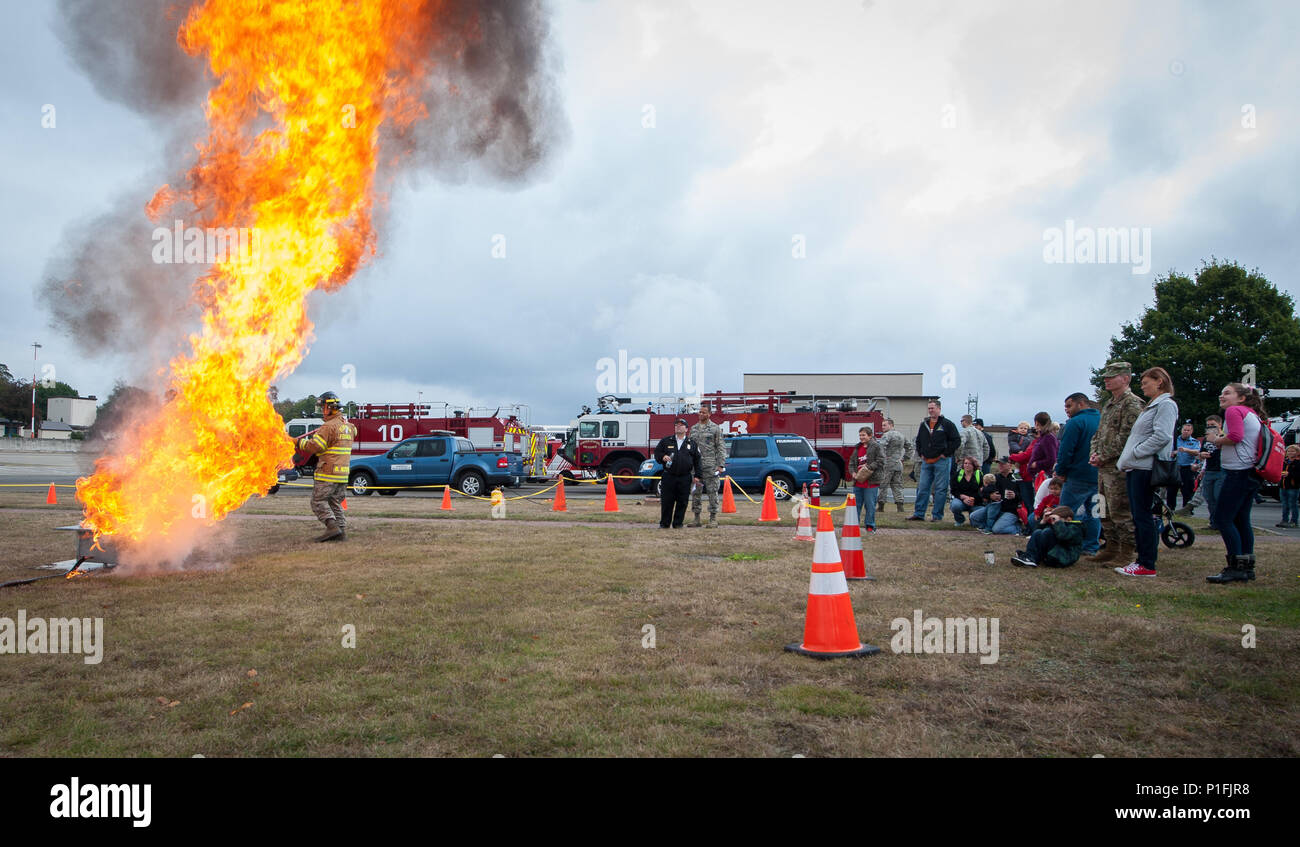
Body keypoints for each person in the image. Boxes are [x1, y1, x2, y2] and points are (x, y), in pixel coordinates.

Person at [1114, 367, 1178, 576]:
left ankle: (1146, 563)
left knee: (1143, 516)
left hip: (1145, 467)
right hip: (1137, 466)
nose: (1142, 387)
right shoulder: (1152, 406)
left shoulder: (1166, 405)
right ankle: (1141, 560)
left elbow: (1163, 436)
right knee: (1139, 515)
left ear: (1159, 381)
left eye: (1145, 383)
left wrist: (1136, 453)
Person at [1206, 384, 1266, 583]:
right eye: (1221, 392)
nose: (1222, 396)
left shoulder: (1234, 410)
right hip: (1250, 472)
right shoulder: (1251, 413)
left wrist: (1217, 440)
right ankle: (1246, 566)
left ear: (1241, 397)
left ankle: (1235, 567)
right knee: (1241, 520)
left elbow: (1236, 437)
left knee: (1223, 519)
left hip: (1238, 472)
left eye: (1227, 393)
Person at [1087, 361, 1145, 565]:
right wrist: (1095, 453)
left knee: (1120, 510)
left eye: (1112, 376)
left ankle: (1126, 552)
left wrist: (1104, 455)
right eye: (1106, 376)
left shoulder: (1132, 404)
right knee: (1103, 509)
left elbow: (1128, 437)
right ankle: (1111, 547)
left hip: (1119, 468)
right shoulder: (1109, 403)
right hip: (1103, 467)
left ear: (1126, 378)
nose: (1106, 379)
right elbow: (1099, 433)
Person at [296, 390, 356, 542]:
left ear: (331, 408)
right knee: (335, 502)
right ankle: (341, 532)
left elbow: (315, 447)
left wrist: (296, 442)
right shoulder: (349, 427)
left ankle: (331, 527)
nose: (322, 412)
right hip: (343, 474)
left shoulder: (328, 427)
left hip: (328, 472)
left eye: (323, 408)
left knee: (317, 501)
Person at [1053, 392, 1101, 555]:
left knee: (1064, 511)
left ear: (1081, 404)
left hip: (1077, 476)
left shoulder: (1075, 422)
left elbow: (1065, 451)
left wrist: (1060, 471)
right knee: (1095, 513)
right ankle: (1091, 546)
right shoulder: (1102, 420)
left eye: (1069, 405)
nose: (1066, 410)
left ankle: (1061, 544)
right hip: (1099, 476)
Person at [909, 399, 961, 521]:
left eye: (932, 408)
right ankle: (919, 513)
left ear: (939, 409)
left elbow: (956, 440)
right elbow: (919, 440)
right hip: (926, 461)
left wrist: (946, 453)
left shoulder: (947, 424)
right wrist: (921, 453)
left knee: (940, 489)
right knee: (923, 487)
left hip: (941, 461)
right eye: (929, 408)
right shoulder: (924, 424)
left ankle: (937, 515)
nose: (930, 411)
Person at [654, 418, 702, 529]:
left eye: (681, 425)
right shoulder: (666, 441)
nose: (678, 427)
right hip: (669, 476)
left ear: (686, 429)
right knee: (667, 501)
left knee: (682, 501)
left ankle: (678, 523)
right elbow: (657, 453)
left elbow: (697, 460)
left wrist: (698, 475)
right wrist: (662, 457)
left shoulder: (692, 443)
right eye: (676, 425)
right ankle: (665, 524)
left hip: (685, 477)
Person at [1178, 416, 1223, 526]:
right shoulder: (1206, 438)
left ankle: (1221, 522)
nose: (1210, 427)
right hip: (1208, 470)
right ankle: (1213, 523)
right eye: (1208, 425)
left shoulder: (1224, 437)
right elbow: (1201, 453)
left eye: (1213, 425)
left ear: (1219, 425)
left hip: (1221, 470)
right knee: (1209, 498)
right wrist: (1201, 458)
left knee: (1218, 497)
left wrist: (1217, 440)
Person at [688, 404, 726, 528]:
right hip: (696, 467)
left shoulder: (715, 428)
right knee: (695, 493)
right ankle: (696, 518)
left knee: (712, 492)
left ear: (709, 414)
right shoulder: (693, 429)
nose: (701, 414)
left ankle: (713, 519)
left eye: (704, 412)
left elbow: (720, 447)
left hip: (710, 465)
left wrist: (720, 465)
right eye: (700, 412)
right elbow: (689, 448)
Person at [1012, 506, 1084, 568]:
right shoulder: (1058, 526)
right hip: (1053, 553)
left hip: (1064, 557)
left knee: (1048, 532)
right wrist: (1043, 522)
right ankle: (1029, 556)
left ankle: (1031, 557)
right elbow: (1036, 536)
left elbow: (1064, 536)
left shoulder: (1076, 528)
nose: (1053, 521)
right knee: (1038, 532)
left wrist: (1058, 522)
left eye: (1055, 519)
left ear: (1068, 519)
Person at [970, 457, 1022, 534]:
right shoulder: (995, 477)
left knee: (997, 530)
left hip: (1011, 510)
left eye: (1003, 464)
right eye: (999, 464)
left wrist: (1015, 495)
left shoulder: (1017, 476)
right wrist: (990, 496)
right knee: (973, 517)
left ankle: (1018, 528)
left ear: (1010, 465)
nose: (1000, 466)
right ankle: (990, 526)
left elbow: (1026, 494)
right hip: (995, 508)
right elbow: (982, 491)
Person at [848, 425, 885, 532]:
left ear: (870, 435)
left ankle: (870, 526)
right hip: (858, 482)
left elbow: (881, 460)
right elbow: (851, 463)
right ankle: (854, 527)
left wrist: (868, 468)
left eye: (863, 435)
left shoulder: (876, 446)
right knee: (856, 506)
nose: (861, 437)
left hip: (871, 482)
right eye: (860, 435)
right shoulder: (857, 448)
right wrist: (853, 473)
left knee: (870, 505)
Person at [877, 418, 913, 512]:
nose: (882, 427)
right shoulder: (901, 435)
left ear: (891, 425)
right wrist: (905, 458)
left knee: (883, 485)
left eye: (885, 425)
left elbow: (881, 446)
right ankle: (900, 506)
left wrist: (883, 458)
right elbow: (910, 447)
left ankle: (881, 506)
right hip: (898, 462)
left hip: (888, 463)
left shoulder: (886, 435)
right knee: (897, 485)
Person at [949, 456, 983, 527]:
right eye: (965, 463)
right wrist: (963, 497)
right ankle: (960, 520)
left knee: (975, 525)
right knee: (955, 506)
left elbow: (982, 491)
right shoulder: (958, 475)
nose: (967, 465)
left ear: (974, 465)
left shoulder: (979, 475)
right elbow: (953, 490)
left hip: (975, 502)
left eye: (969, 464)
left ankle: (973, 518)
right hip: (961, 500)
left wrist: (973, 499)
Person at [1173, 422, 1200, 510]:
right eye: (1184, 430)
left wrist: (1186, 450)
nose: (1186, 432)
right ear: (1181, 430)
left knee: (1187, 491)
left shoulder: (1194, 442)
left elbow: (1197, 452)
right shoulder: (1175, 440)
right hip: (1175, 468)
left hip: (1187, 468)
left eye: (1188, 430)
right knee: (1172, 489)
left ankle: (1186, 510)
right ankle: (1170, 509)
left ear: (1191, 432)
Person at [1279, 444, 1300, 528]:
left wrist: (1290, 474)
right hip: (1283, 486)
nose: (1290, 453)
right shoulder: (1284, 461)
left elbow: (1298, 475)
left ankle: (1294, 521)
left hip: (1293, 487)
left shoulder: (1298, 463)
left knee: (1293, 504)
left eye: (1293, 451)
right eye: (1289, 451)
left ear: (1297, 452)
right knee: (1284, 504)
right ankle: (1284, 520)